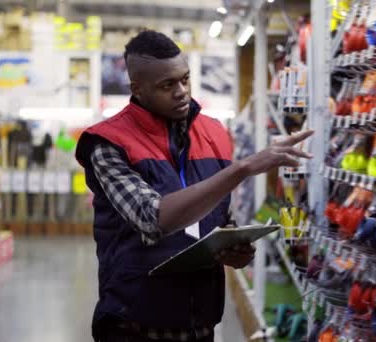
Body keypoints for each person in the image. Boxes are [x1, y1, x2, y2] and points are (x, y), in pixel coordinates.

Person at [75, 30, 313, 342]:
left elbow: (216, 217)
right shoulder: (108, 143)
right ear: (138, 89)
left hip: (201, 323)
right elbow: (153, 218)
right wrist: (243, 168)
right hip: (133, 325)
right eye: (167, 85)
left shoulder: (214, 132)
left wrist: (235, 249)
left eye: (185, 79)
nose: (181, 91)